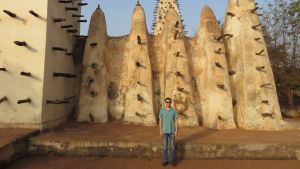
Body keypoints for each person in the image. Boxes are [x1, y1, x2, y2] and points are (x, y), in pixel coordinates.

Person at [159, 97, 179, 167]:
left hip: (172, 131)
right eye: (167, 102)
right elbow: (160, 121)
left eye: (169, 102)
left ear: (171, 102)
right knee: (165, 147)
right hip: (164, 131)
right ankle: (165, 160)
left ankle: (173, 160)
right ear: (165, 103)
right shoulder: (162, 110)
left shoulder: (174, 111)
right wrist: (160, 130)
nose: (168, 103)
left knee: (172, 146)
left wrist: (176, 130)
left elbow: (176, 121)